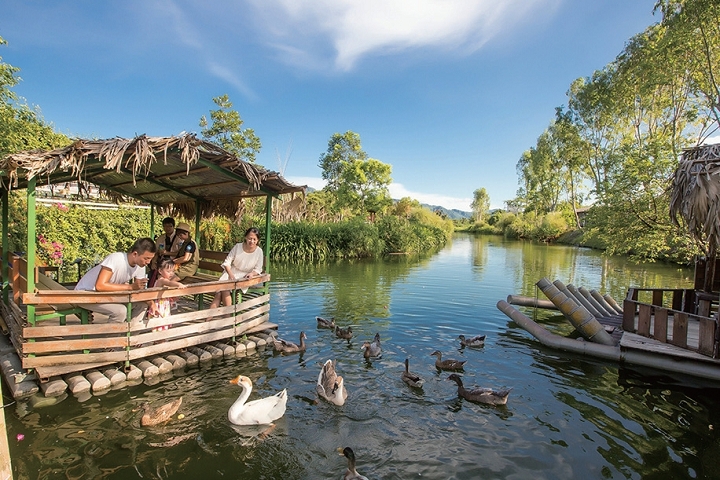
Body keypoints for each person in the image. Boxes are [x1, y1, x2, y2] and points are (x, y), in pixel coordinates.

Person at [75, 238, 159, 324]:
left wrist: (151, 303)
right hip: (86, 293)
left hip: (106, 295)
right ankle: (112, 337)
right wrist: (130, 287)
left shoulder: (140, 266)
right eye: (146, 258)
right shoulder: (115, 258)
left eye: (150, 259)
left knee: (142, 305)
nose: (148, 262)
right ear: (135, 254)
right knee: (120, 311)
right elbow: (100, 286)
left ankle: (131, 334)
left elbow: (140, 290)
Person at [209, 227, 264, 309]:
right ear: (246, 237)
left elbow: (258, 269)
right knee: (220, 292)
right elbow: (227, 262)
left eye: (254, 239)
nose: (252, 241)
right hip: (231, 273)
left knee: (224, 289)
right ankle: (221, 317)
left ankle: (226, 316)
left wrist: (252, 274)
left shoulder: (259, 251)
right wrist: (230, 275)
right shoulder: (238, 247)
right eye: (250, 238)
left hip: (244, 277)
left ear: (257, 240)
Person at [151, 258, 186, 323]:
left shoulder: (164, 280)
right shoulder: (161, 280)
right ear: (160, 271)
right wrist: (178, 284)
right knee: (160, 322)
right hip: (159, 305)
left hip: (164, 304)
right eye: (168, 271)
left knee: (164, 322)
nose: (171, 274)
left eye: (172, 271)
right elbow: (169, 283)